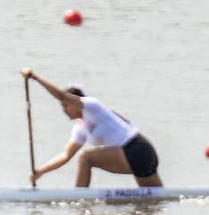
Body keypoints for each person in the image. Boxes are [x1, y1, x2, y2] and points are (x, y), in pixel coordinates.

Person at [21, 68, 163, 188]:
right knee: (152, 205)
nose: (64, 110)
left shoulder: (92, 106)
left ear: (75, 103)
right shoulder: (80, 128)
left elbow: (62, 95)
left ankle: (78, 201)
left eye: (65, 106)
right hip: (135, 158)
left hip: (138, 150)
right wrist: (40, 171)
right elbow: (65, 156)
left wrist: (35, 78)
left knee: (86, 158)